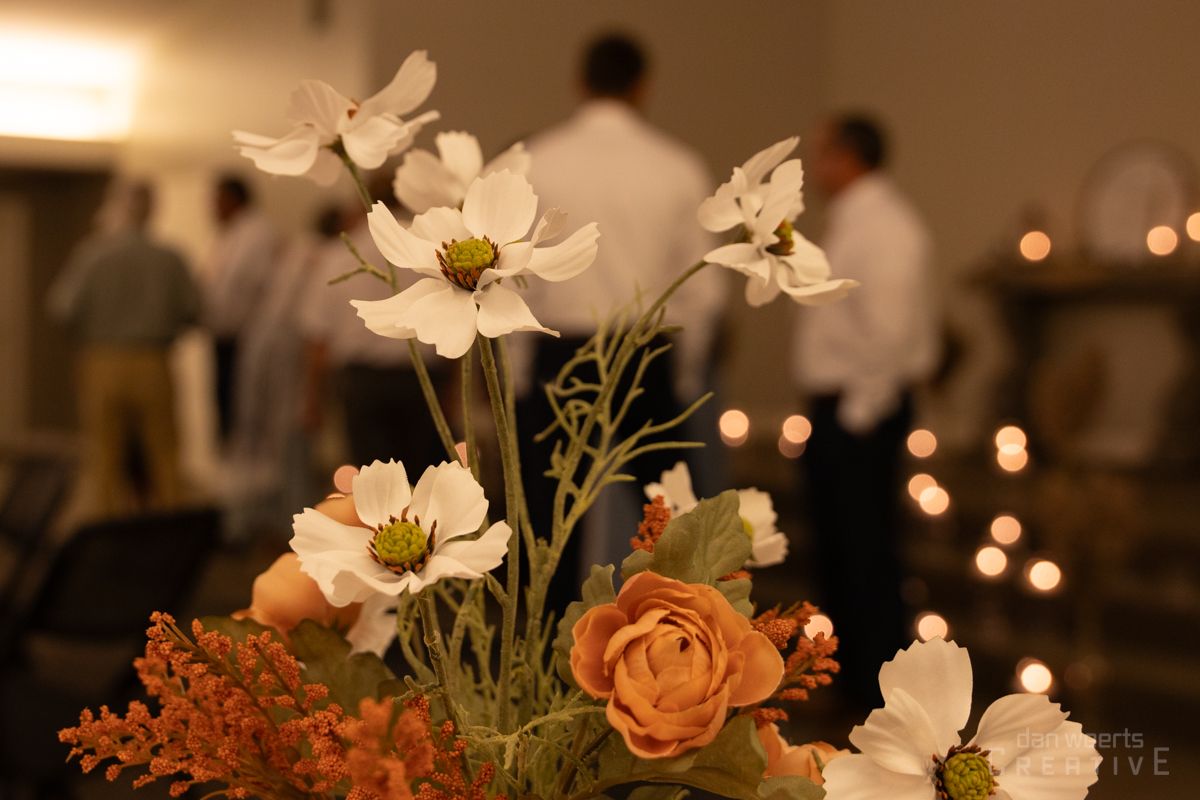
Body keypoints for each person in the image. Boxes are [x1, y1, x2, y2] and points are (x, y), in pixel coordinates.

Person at [520, 33, 724, 594]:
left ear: (580, 82)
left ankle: (542, 667)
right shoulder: (678, 165)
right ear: (643, 86)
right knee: (673, 523)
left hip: (559, 349)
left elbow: (514, 278)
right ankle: (684, 653)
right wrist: (683, 373)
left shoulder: (536, 160)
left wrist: (517, 371)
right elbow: (703, 289)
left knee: (548, 522)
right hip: (645, 350)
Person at [792, 114, 939, 712]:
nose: (815, 166)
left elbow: (892, 329)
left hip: (862, 410)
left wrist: (858, 413)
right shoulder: (856, 221)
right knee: (838, 547)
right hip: (842, 407)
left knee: (867, 549)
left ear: (847, 157)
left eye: (821, 152)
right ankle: (850, 680)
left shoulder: (887, 228)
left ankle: (879, 688)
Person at [49, 181, 199, 515]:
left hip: (102, 360)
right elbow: (194, 311)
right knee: (165, 456)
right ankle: (172, 538)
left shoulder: (93, 253)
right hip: (154, 360)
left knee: (103, 458)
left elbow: (62, 308)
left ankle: (103, 538)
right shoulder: (170, 257)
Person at [298, 195, 449, 473]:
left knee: (375, 482)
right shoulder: (433, 252)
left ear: (360, 205)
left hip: (362, 383)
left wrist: (313, 399)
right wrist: (452, 392)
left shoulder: (338, 255)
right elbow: (451, 323)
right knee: (427, 477)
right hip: (420, 380)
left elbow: (318, 337)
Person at [203, 175, 278, 444]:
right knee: (226, 409)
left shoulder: (256, 233)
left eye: (217, 200)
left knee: (245, 411)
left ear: (233, 199)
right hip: (226, 335)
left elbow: (245, 287)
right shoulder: (229, 235)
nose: (212, 208)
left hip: (248, 336)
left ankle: (246, 478)